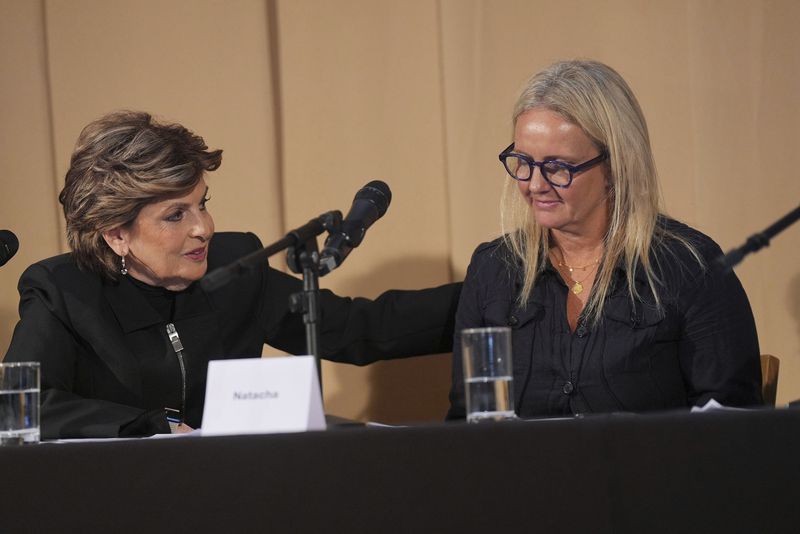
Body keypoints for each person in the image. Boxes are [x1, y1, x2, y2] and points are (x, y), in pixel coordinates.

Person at [3, 110, 461, 438]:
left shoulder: (235, 264)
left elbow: (363, 330)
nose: (203, 228)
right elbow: (22, 407)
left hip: (234, 494)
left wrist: (499, 292)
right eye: (175, 215)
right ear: (117, 234)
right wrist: (147, 427)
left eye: (202, 203)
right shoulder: (64, 292)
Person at [448, 60, 762, 420]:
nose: (535, 185)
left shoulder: (690, 266)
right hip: (526, 476)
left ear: (615, 167)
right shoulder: (493, 270)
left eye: (557, 167)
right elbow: (466, 424)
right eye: (523, 162)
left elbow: (735, 423)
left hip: (653, 474)